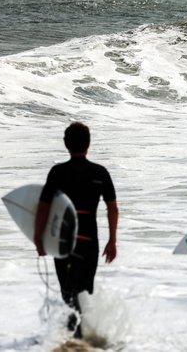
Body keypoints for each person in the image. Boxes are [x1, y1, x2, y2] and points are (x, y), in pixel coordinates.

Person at [34, 122, 119, 338]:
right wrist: (112, 241)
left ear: (66, 144)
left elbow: (43, 207)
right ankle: (79, 335)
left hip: (63, 240)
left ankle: (75, 333)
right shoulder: (100, 172)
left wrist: (38, 237)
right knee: (83, 289)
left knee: (67, 291)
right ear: (89, 144)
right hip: (89, 240)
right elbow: (113, 208)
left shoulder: (57, 172)